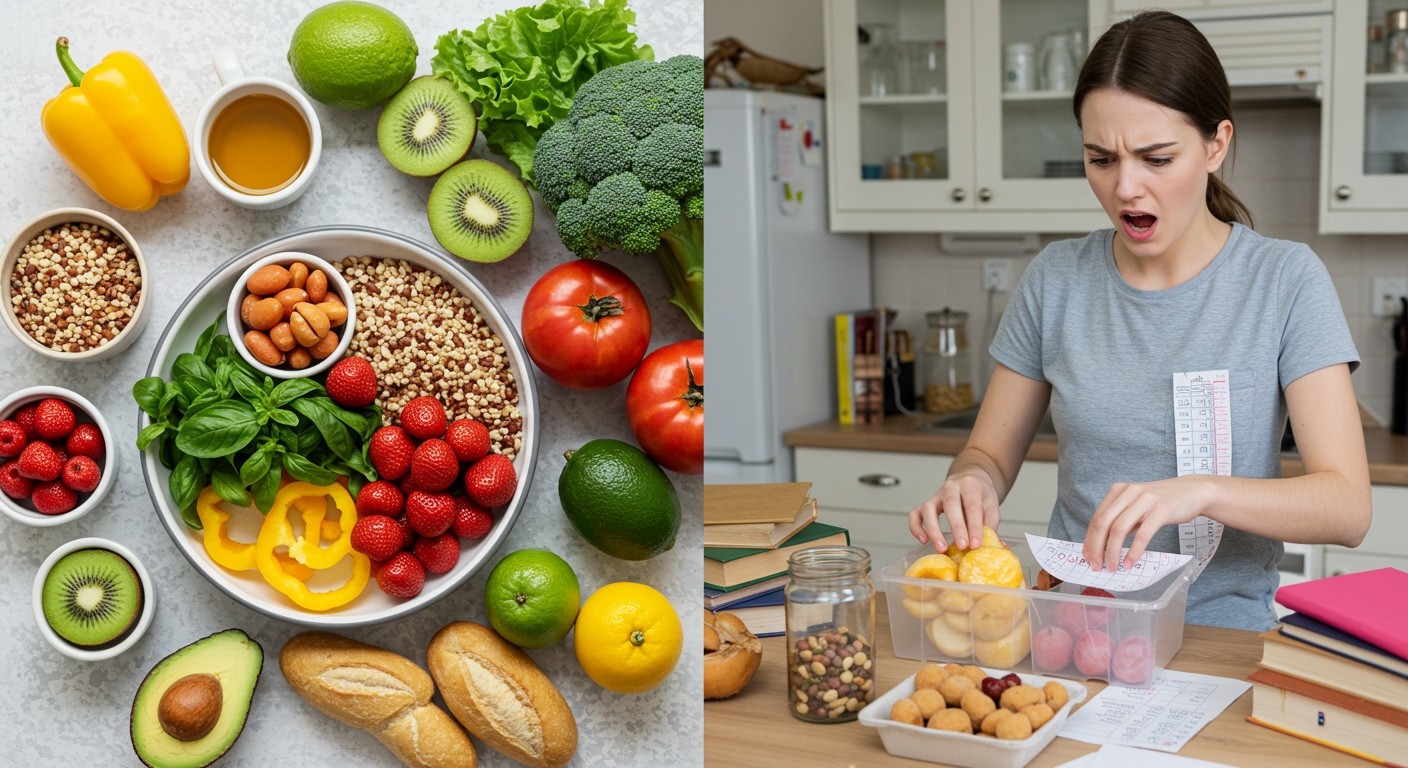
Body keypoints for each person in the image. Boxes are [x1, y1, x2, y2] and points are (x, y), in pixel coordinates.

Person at [906, 10, 1370, 631]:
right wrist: (969, 482)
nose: (1126, 188)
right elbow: (988, 452)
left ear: (1216, 144)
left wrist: (1199, 491)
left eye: (1156, 159)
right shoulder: (1056, 278)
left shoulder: (1285, 281)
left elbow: (1346, 507)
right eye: (1101, 159)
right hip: (1072, 628)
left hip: (1218, 641)